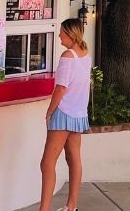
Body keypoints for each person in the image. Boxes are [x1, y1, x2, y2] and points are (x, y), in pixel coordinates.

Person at [41, 18, 93, 211]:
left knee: (47, 163)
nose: (59, 35)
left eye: (62, 31)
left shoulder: (67, 57)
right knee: (74, 159)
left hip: (63, 112)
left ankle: (44, 209)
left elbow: (61, 89)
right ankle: (72, 207)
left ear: (71, 34)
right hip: (79, 113)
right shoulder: (85, 54)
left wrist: (49, 111)